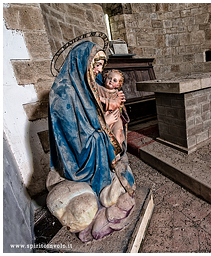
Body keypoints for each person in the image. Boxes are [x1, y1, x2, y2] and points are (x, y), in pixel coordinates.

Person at [47, 40, 136, 242]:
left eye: (101, 66)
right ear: (80, 63)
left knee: (118, 145)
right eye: (95, 65)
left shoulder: (86, 84)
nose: (98, 71)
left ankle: (110, 186)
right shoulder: (63, 93)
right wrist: (103, 124)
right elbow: (75, 139)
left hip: (96, 139)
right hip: (78, 156)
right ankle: (99, 195)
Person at [97, 69, 129, 149]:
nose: (111, 81)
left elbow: (116, 104)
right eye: (109, 78)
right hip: (105, 116)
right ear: (105, 79)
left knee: (117, 132)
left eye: (114, 80)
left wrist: (103, 100)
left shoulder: (117, 93)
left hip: (116, 118)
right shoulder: (99, 89)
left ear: (118, 85)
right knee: (106, 135)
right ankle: (109, 151)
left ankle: (117, 150)